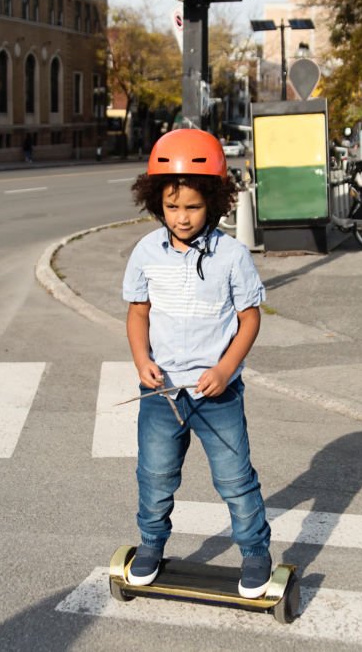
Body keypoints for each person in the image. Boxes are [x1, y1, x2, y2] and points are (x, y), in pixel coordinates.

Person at [121, 128, 273, 599]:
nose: (181, 217)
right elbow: (138, 312)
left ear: (213, 200)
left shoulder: (232, 255)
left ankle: (254, 551)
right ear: (156, 203)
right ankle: (150, 545)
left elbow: (250, 319)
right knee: (155, 474)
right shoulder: (147, 252)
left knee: (233, 477)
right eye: (171, 206)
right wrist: (141, 359)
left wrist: (226, 369)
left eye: (192, 206)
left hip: (217, 394)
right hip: (162, 391)